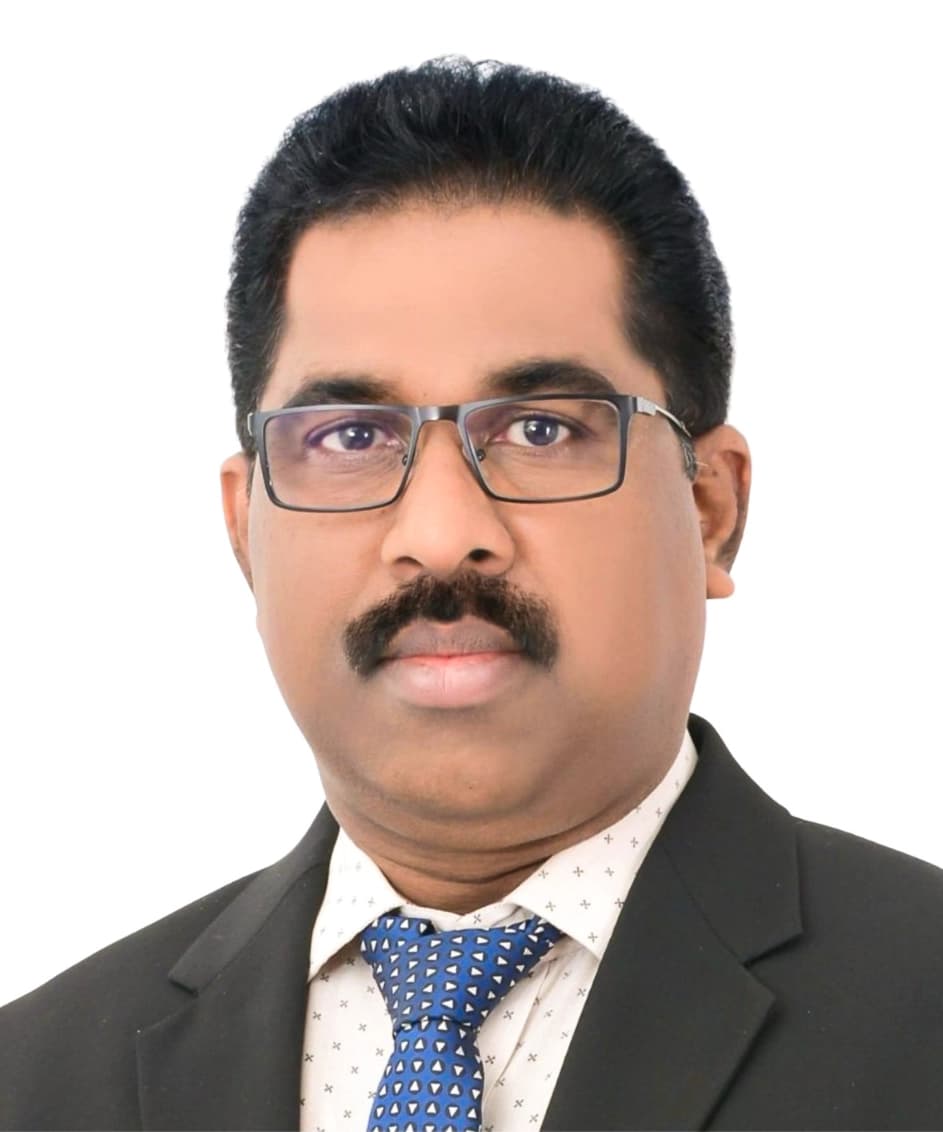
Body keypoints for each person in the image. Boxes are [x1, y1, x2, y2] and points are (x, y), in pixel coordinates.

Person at [2, 55, 941, 1132]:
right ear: (245, 530)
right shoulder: (35, 1082)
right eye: (349, 437)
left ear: (709, 507)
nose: (443, 536)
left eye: (541, 429)